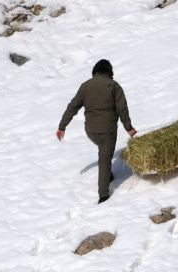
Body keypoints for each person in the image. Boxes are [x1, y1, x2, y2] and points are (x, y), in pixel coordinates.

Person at [57, 59, 137, 203]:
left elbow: (72, 107)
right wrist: (129, 128)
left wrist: (62, 127)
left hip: (91, 131)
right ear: (109, 72)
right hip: (107, 131)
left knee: (104, 154)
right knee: (105, 159)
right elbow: (122, 109)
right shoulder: (114, 86)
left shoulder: (85, 86)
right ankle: (103, 195)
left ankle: (107, 175)